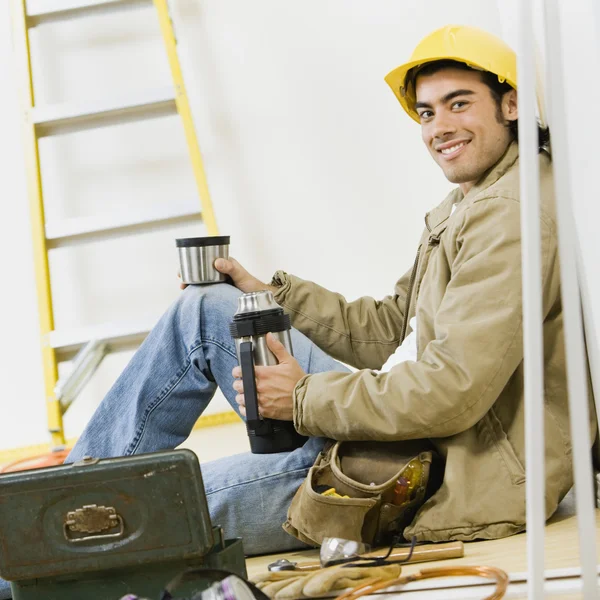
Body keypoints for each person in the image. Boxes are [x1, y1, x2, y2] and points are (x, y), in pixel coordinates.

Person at [66, 24, 594, 553]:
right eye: (428, 112)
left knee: (123, 511)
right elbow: (393, 328)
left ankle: (49, 517)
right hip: (396, 423)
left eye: (459, 104)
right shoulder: (474, 200)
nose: (439, 127)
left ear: (512, 105)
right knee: (205, 308)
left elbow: (453, 391)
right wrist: (273, 296)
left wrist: (301, 398)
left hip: (425, 467)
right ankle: (57, 494)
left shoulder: (508, 216)